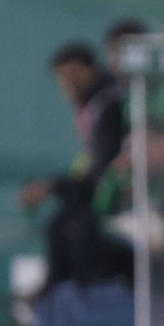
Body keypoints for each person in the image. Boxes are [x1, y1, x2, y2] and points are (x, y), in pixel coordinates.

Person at [20, 43, 130, 294]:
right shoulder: (92, 108)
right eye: (61, 77)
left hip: (123, 197)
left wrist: (51, 187)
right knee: (61, 222)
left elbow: (102, 170)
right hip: (105, 193)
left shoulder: (109, 104)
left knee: (75, 227)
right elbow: (87, 167)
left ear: (86, 70)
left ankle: (78, 299)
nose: (66, 84)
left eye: (71, 74)